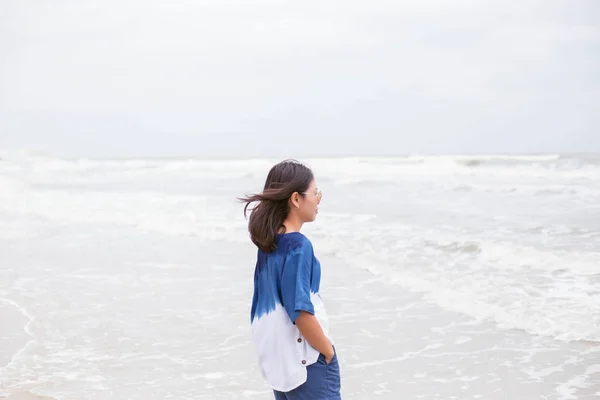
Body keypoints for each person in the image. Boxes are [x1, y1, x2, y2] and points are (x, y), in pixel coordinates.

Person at [239, 159, 341, 400]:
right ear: (296, 199)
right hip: (307, 361)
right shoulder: (298, 245)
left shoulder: (269, 244)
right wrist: (327, 351)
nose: (318, 199)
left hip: (281, 365)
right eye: (315, 193)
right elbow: (300, 311)